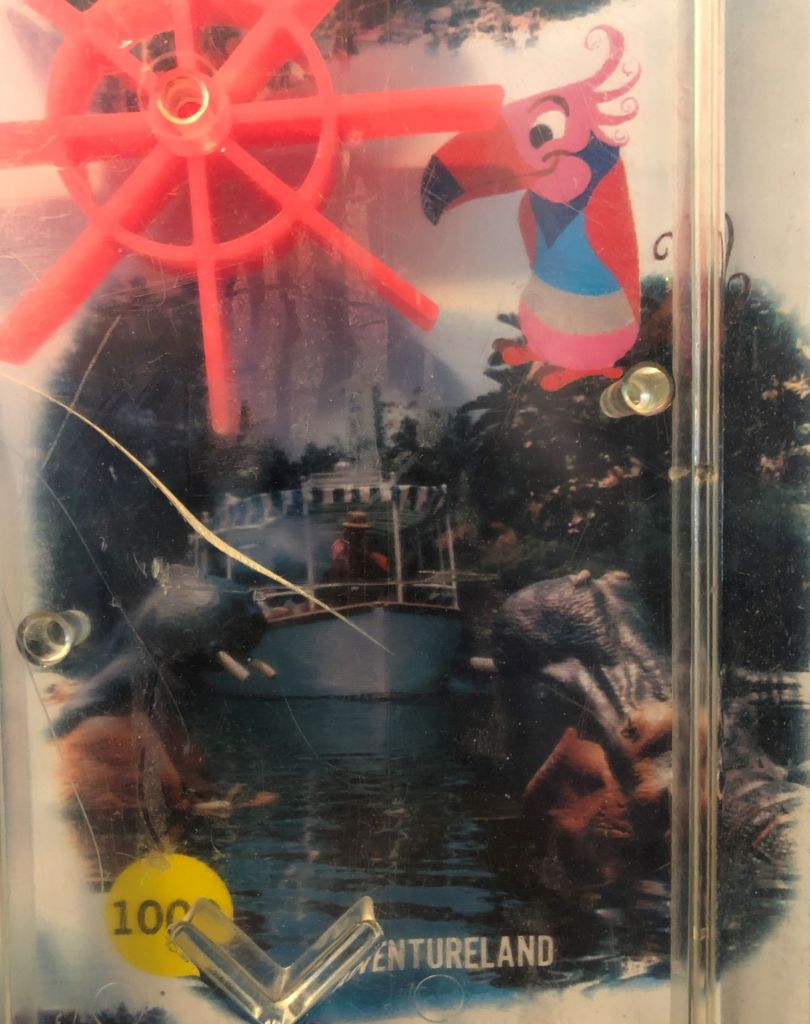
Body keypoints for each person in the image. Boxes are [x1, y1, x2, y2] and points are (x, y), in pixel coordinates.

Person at [328, 510, 390, 602]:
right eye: (352, 531)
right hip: (344, 598)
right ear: (347, 531)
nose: (356, 534)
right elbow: (336, 572)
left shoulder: (373, 549)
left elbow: (385, 572)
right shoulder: (338, 548)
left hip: (370, 597)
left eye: (360, 531)